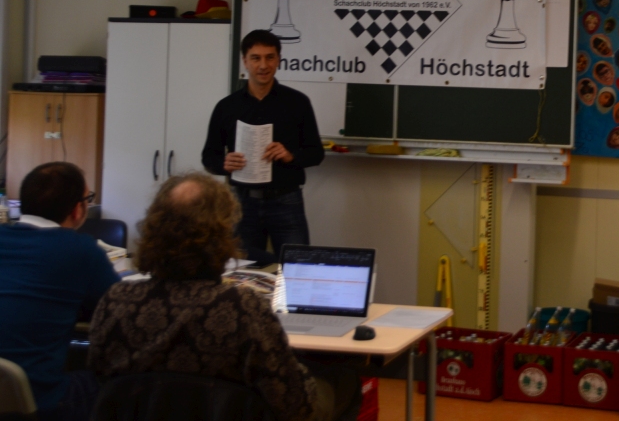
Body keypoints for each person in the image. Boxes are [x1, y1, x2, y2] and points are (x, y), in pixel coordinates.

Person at [88, 173, 356, 421]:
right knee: (346, 380)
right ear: (223, 234)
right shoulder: (241, 307)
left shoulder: (116, 300)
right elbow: (295, 405)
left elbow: (99, 379)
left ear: (152, 227)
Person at [0, 162, 120, 421]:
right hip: (38, 401)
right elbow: (117, 309)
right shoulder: (80, 250)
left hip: (8, 390)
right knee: (117, 383)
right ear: (77, 209)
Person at [202, 29, 325, 265]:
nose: (263, 65)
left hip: (286, 200)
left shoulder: (298, 102)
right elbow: (209, 156)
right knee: (242, 273)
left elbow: (316, 153)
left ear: (278, 60)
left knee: (296, 269)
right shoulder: (226, 107)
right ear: (245, 61)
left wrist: (291, 156)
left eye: (270, 57)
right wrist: (223, 164)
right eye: (256, 58)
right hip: (241, 203)